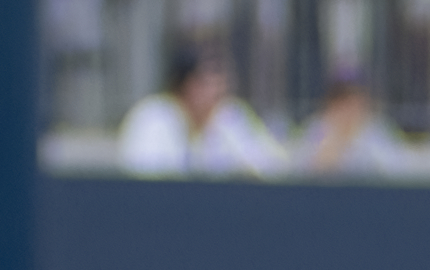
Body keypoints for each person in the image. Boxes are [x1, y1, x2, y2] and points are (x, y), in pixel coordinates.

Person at [119, 46, 290, 177]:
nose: (221, 91)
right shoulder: (153, 119)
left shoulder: (226, 118)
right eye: (211, 83)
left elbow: (270, 166)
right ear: (187, 85)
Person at [295, 68, 414, 177]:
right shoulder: (317, 129)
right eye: (341, 100)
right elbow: (298, 170)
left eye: (354, 99)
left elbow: (397, 169)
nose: (348, 107)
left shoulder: (377, 130)